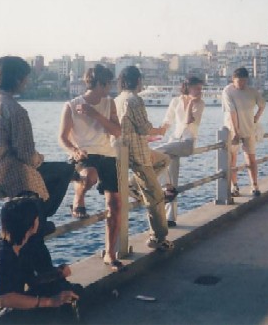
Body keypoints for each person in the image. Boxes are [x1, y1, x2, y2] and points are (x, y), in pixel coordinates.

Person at [0, 56, 75, 276]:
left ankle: (39, 221)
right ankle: (41, 218)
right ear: (17, 79)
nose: (26, 83)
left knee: (29, 232)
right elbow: (27, 156)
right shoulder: (14, 109)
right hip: (8, 173)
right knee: (65, 169)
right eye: (25, 78)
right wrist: (41, 159)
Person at [0, 198, 80, 325]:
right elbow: (5, 299)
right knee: (14, 313)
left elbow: (32, 280)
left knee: (64, 289)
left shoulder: (20, 248)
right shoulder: (2, 254)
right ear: (33, 223)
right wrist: (49, 301)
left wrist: (58, 275)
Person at [58, 65, 125, 271]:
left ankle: (110, 253)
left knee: (115, 206)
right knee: (90, 176)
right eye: (108, 84)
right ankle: (78, 198)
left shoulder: (109, 103)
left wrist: (95, 114)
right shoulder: (71, 105)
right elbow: (62, 137)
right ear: (99, 84)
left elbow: (117, 131)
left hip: (108, 155)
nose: (110, 88)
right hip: (85, 155)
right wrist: (74, 150)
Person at [114, 66, 174, 251]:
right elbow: (144, 128)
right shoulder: (134, 100)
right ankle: (158, 238)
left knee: (164, 159)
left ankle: (133, 185)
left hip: (127, 150)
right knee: (156, 197)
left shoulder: (117, 100)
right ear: (137, 80)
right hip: (138, 154)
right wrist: (161, 130)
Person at [154, 76, 205, 227]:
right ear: (188, 87)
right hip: (173, 141)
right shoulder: (175, 101)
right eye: (197, 88)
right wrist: (154, 133)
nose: (200, 92)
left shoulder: (200, 104)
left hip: (187, 142)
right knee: (171, 177)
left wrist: (190, 102)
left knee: (154, 152)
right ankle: (170, 217)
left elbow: (189, 120)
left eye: (201, 89)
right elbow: (167, 121)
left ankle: (165, 187)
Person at [222, 67, 266, 196]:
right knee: (232, 158)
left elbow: (262, 104)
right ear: (233, 79)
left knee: (251, 158)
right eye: (239, 81)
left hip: (248, 129)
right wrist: (235, 131)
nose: (241, 84)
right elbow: (232, 112)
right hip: (232, 129)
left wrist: (256, 118)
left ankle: (255, 185)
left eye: (244, 81)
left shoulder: (252, 92)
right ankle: (234, 186)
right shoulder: (228, 91)